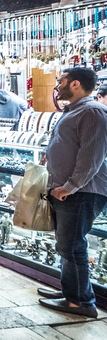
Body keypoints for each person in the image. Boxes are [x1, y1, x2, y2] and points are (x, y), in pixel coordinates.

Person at [38, 67, 107, 318]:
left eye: (62, 81)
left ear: (75, 84)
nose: (58, 85)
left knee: (71, 245)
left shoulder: (93, 112)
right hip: (68, 190)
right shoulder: (75, 110)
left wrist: (69, 187)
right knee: (66, 244)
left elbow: (91, 158)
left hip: (82, 191)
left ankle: (81, 302)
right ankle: (71, 292)